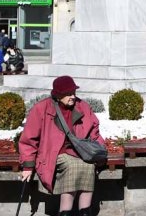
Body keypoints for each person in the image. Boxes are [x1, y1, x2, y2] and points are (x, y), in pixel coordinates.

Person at [20, 76, 106, 216]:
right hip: (53, 154)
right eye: (68, 93)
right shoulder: (42, 108)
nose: (73, 96)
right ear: (58, 94)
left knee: (88, 165)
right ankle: (64, 212)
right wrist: (28, 166)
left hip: (79, 152)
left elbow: (94, 132)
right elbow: (29, 139)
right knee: (73, 165)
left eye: (73, 92)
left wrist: (100, 152)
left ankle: (85, 212)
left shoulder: (82, 106)